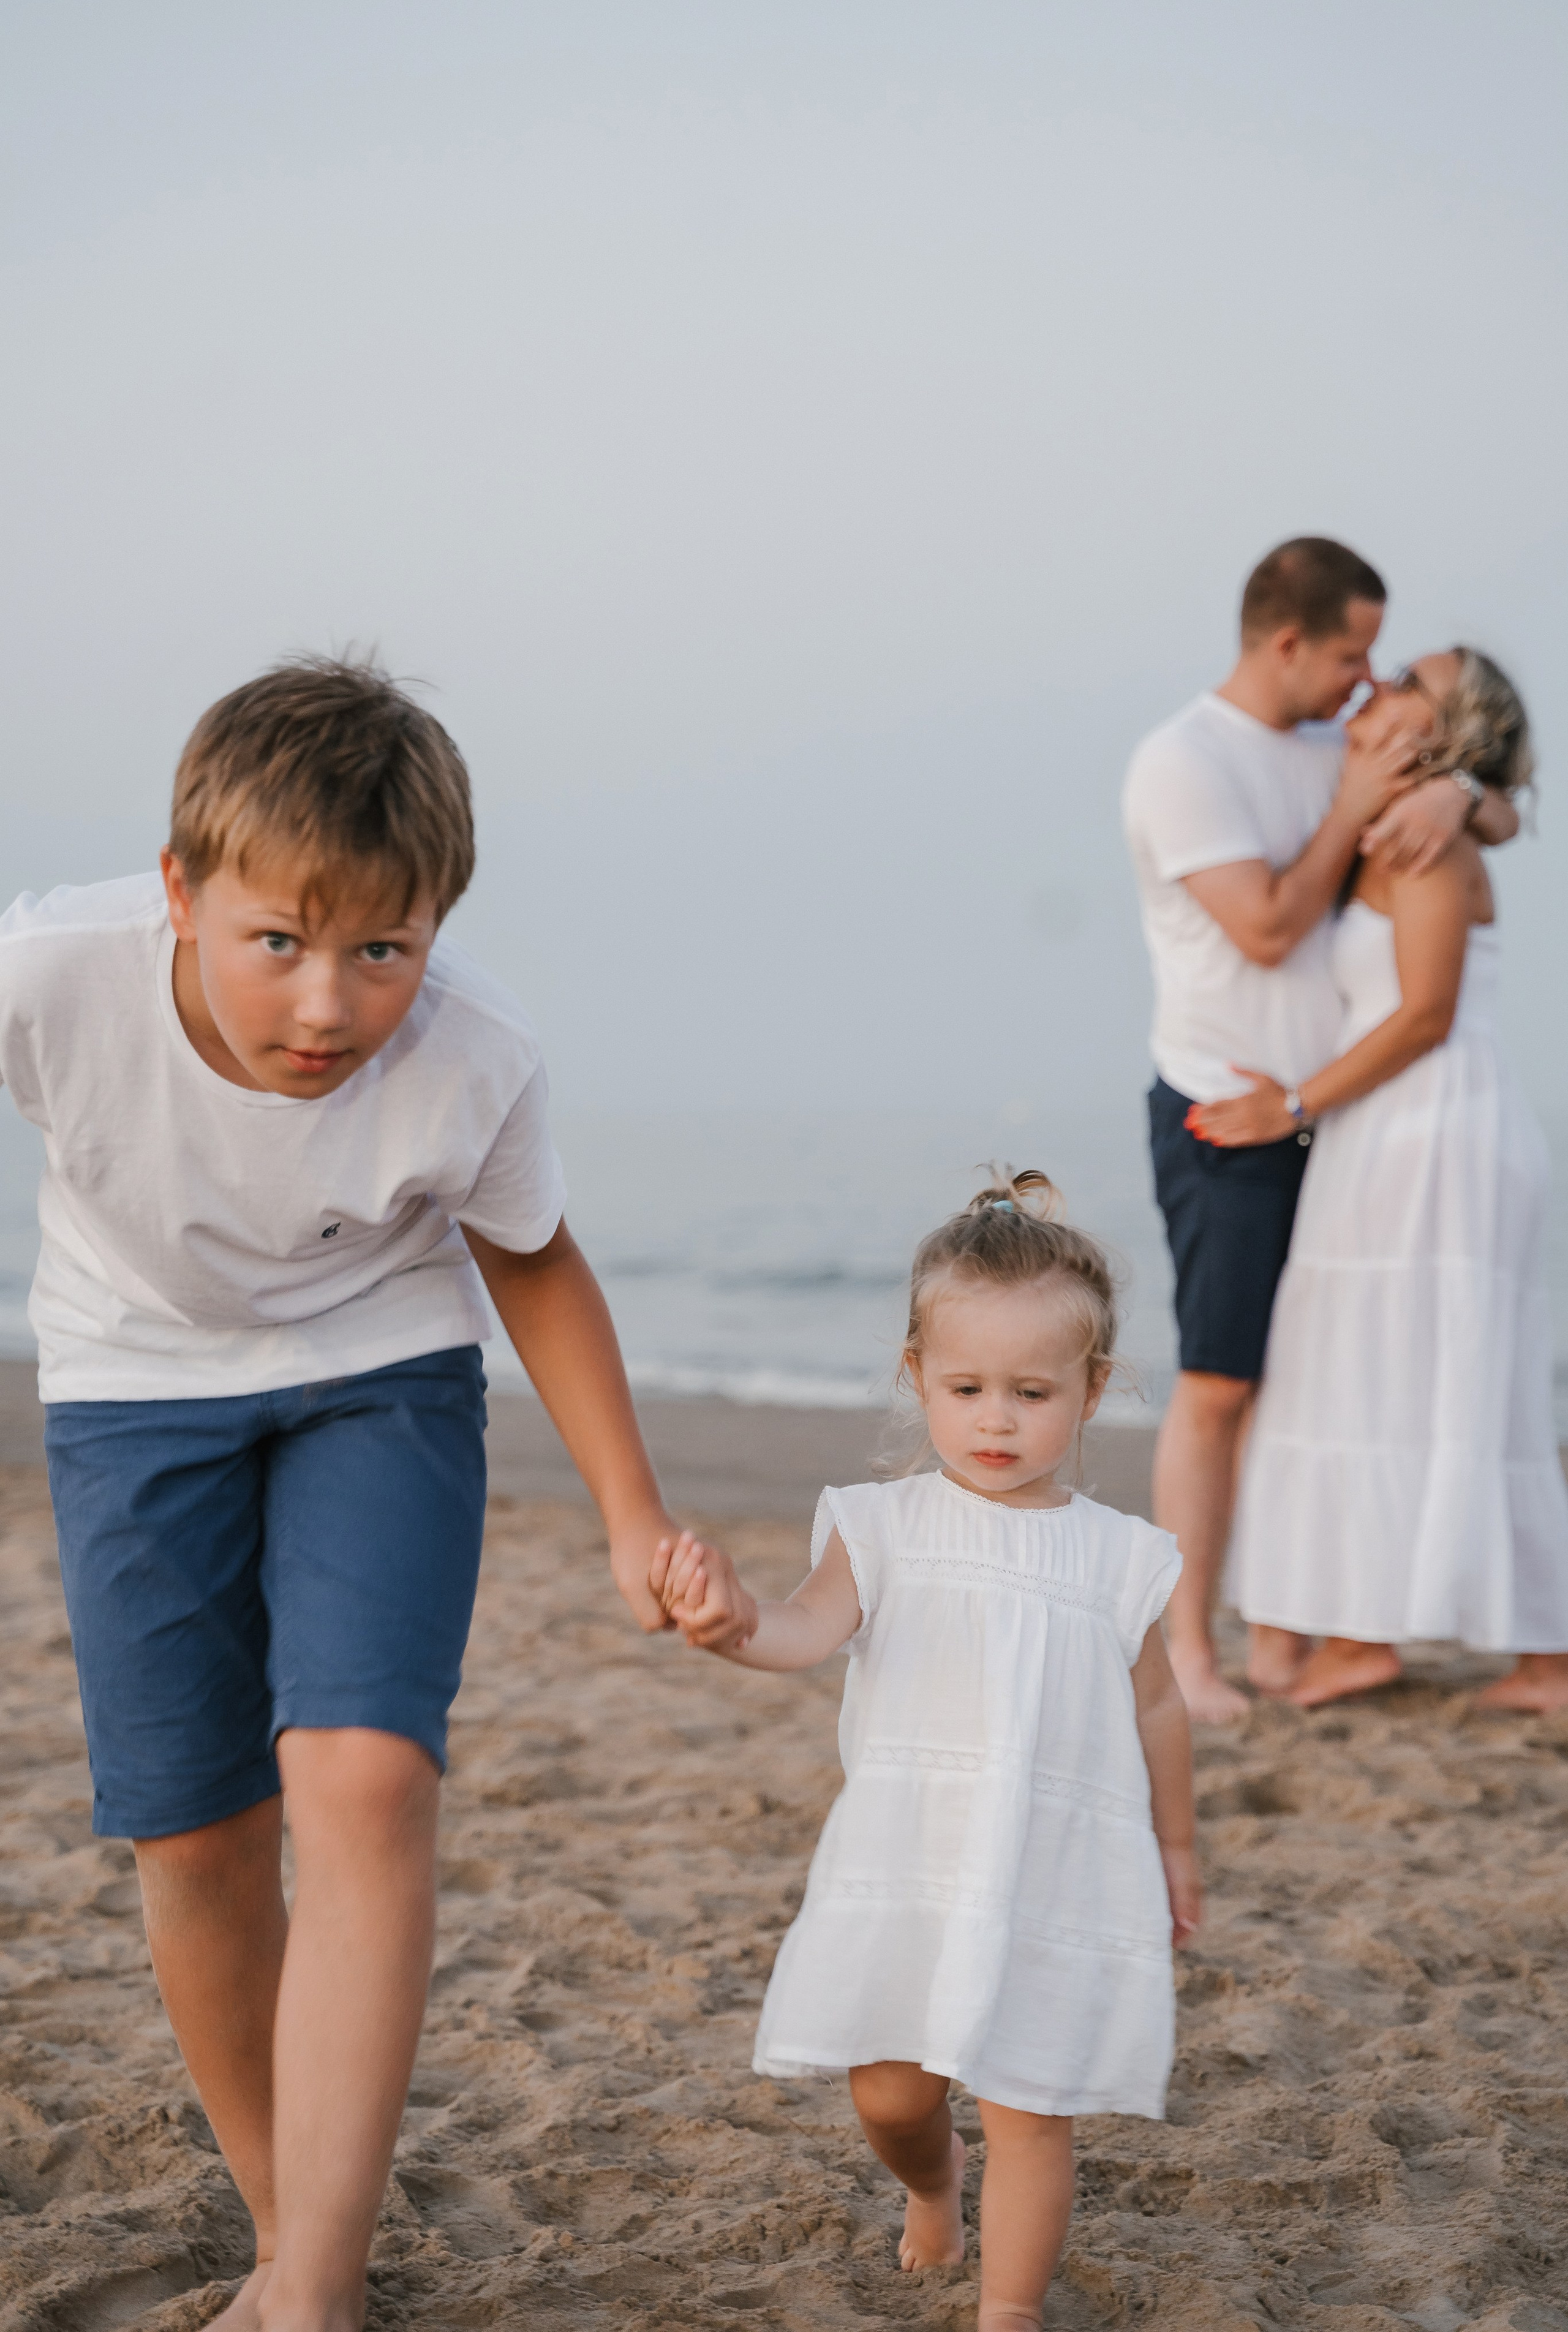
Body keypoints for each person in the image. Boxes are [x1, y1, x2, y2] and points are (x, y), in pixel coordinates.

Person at [0, 657, 752, 2332]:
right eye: (279, 943)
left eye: (382, 952)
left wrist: (634, 1516)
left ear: (437, 921)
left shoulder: (474, 1057)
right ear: (184, 892)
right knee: (194, 1835)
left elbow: (538, 1270)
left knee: (363, 1782)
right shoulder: (50, 974)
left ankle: (316, 2294)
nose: (329, 1007)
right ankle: (292, 2232)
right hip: (133, 1389)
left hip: (379, 1375)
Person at [652, 1174, 1199, 2331]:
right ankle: (933, 2185)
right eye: (967, 1389)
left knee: (1031, 2107)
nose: (996, 1420)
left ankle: (1010, 2308)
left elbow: (1157, 1709)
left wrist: (1178, 1849)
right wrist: (737, 1622)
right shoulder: (882, 1528)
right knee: (893, 2094)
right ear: (918, 1379)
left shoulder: (1120, 1559)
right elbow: (804, 1628)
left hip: (1051, 1870)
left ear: (1094, 1392)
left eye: (1032, 1392)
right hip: (911, 1865)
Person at [1121, 537, 1519, 1721]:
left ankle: (1298, 1636)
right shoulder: (1182, 762)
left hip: (1342, 1120)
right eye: (1351, 653)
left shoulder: (1327, 742)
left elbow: (1480, 805)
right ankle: (1191, 1647)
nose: (1368, 678)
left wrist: (1465, 790)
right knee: (1217, 1384)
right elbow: (1267, 926)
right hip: (1233, 1111)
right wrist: (1372, 795)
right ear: (1286, 642)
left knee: (1315, 1387)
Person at [1189, 651, 1568, 1711]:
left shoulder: (1426, 843)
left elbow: (1426, 1013)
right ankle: (1525, 1654)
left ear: (1441, 734)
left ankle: (1374, 1639)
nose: (1378, 681)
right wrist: (1471, 792)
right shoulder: (1410, 811)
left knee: (1388, 1373)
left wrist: (1291, 1105)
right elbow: (1504, 808)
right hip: (1388, 1130)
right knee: (1390, 1373)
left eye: (1409, 677)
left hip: (1436, 1131)